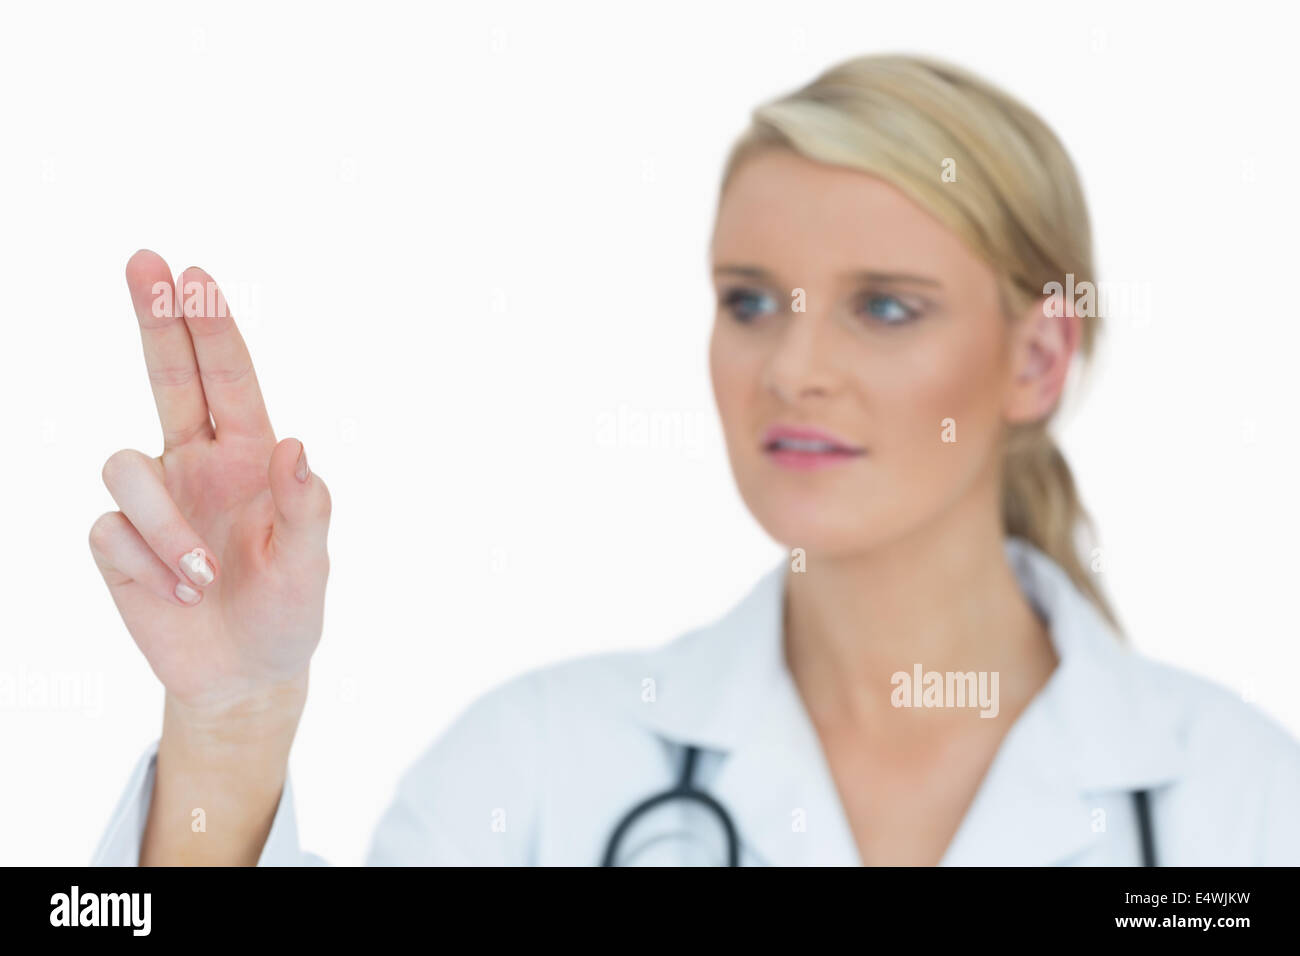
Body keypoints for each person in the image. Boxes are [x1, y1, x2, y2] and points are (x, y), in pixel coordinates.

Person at [89, 54, 1300, 866]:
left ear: (1038, 359)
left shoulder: (1244, 805)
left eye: (884, 306)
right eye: (751, 299)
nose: (792, 367)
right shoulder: (543, 769)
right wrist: (232, 725)